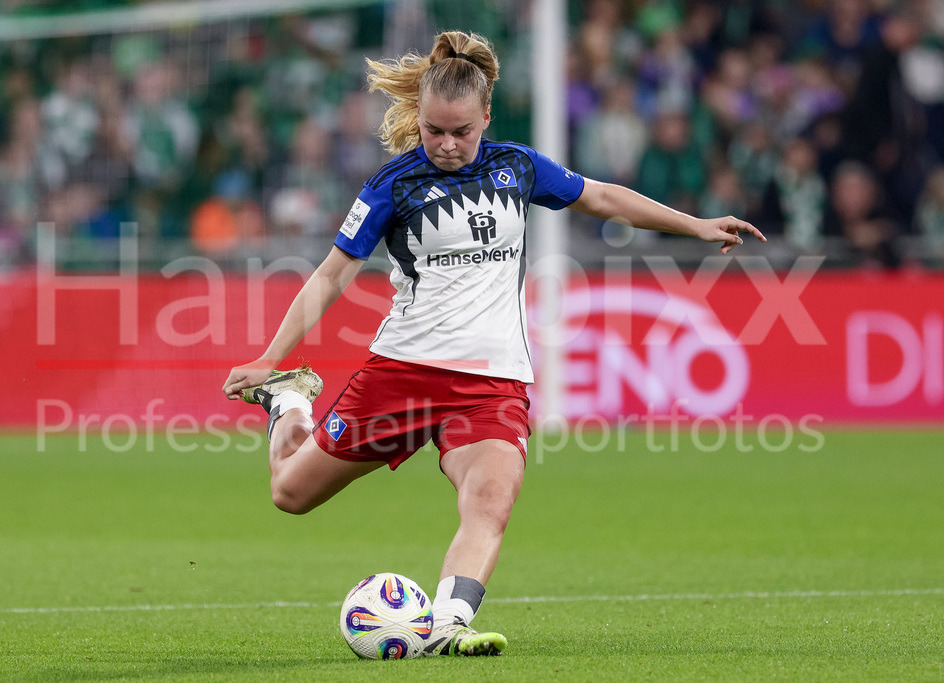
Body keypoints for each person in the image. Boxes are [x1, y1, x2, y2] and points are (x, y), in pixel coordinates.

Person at [222, 30, 765, 657]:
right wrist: (273, 358)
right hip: (402, 372)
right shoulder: (393, 186)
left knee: (490, 503)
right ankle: (289, 403)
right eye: (433, 131)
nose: (447, 145)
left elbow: (603, 197)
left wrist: (693, 224)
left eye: (461, 131)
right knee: (290, 495)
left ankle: (449, 623)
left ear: (486, 118)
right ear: (418, 122)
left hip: (494, 379)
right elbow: (332, 273)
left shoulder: (518, 168)